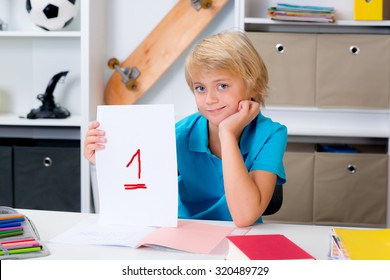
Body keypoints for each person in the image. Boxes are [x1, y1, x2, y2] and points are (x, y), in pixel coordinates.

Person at [84, 31, 287, 227]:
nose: (210, 99)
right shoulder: (177, 135)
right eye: (200, 88)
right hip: (184, 233)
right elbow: (139, 194)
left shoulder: (271, 135)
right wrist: (105, 161)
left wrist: (227, 135)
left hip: (241, 236)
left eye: (222, 86)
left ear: (252, 86)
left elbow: (244, 217)